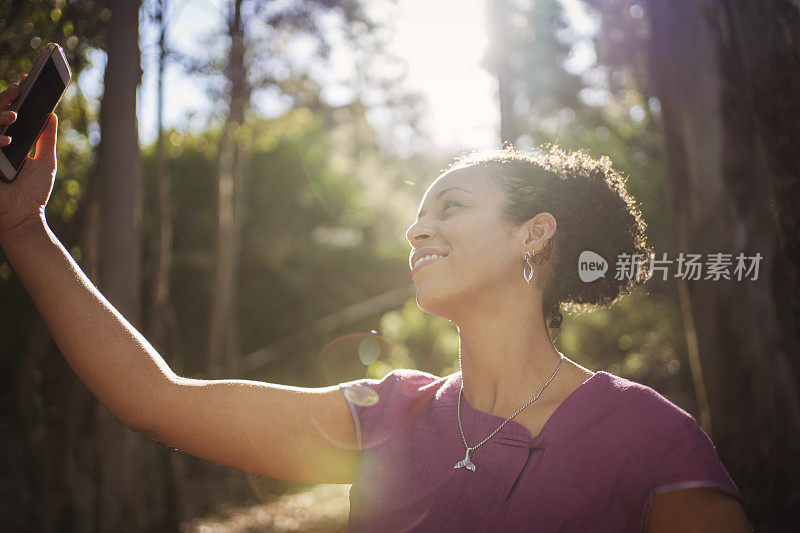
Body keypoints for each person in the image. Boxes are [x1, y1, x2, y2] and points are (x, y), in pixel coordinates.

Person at [0, 77, 751, 532]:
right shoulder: (386, 414)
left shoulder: (654, 437)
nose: (416, 226)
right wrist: (25, 230)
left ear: (536, 234)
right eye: (419, 210)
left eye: (451, 206)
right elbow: (155, 400)